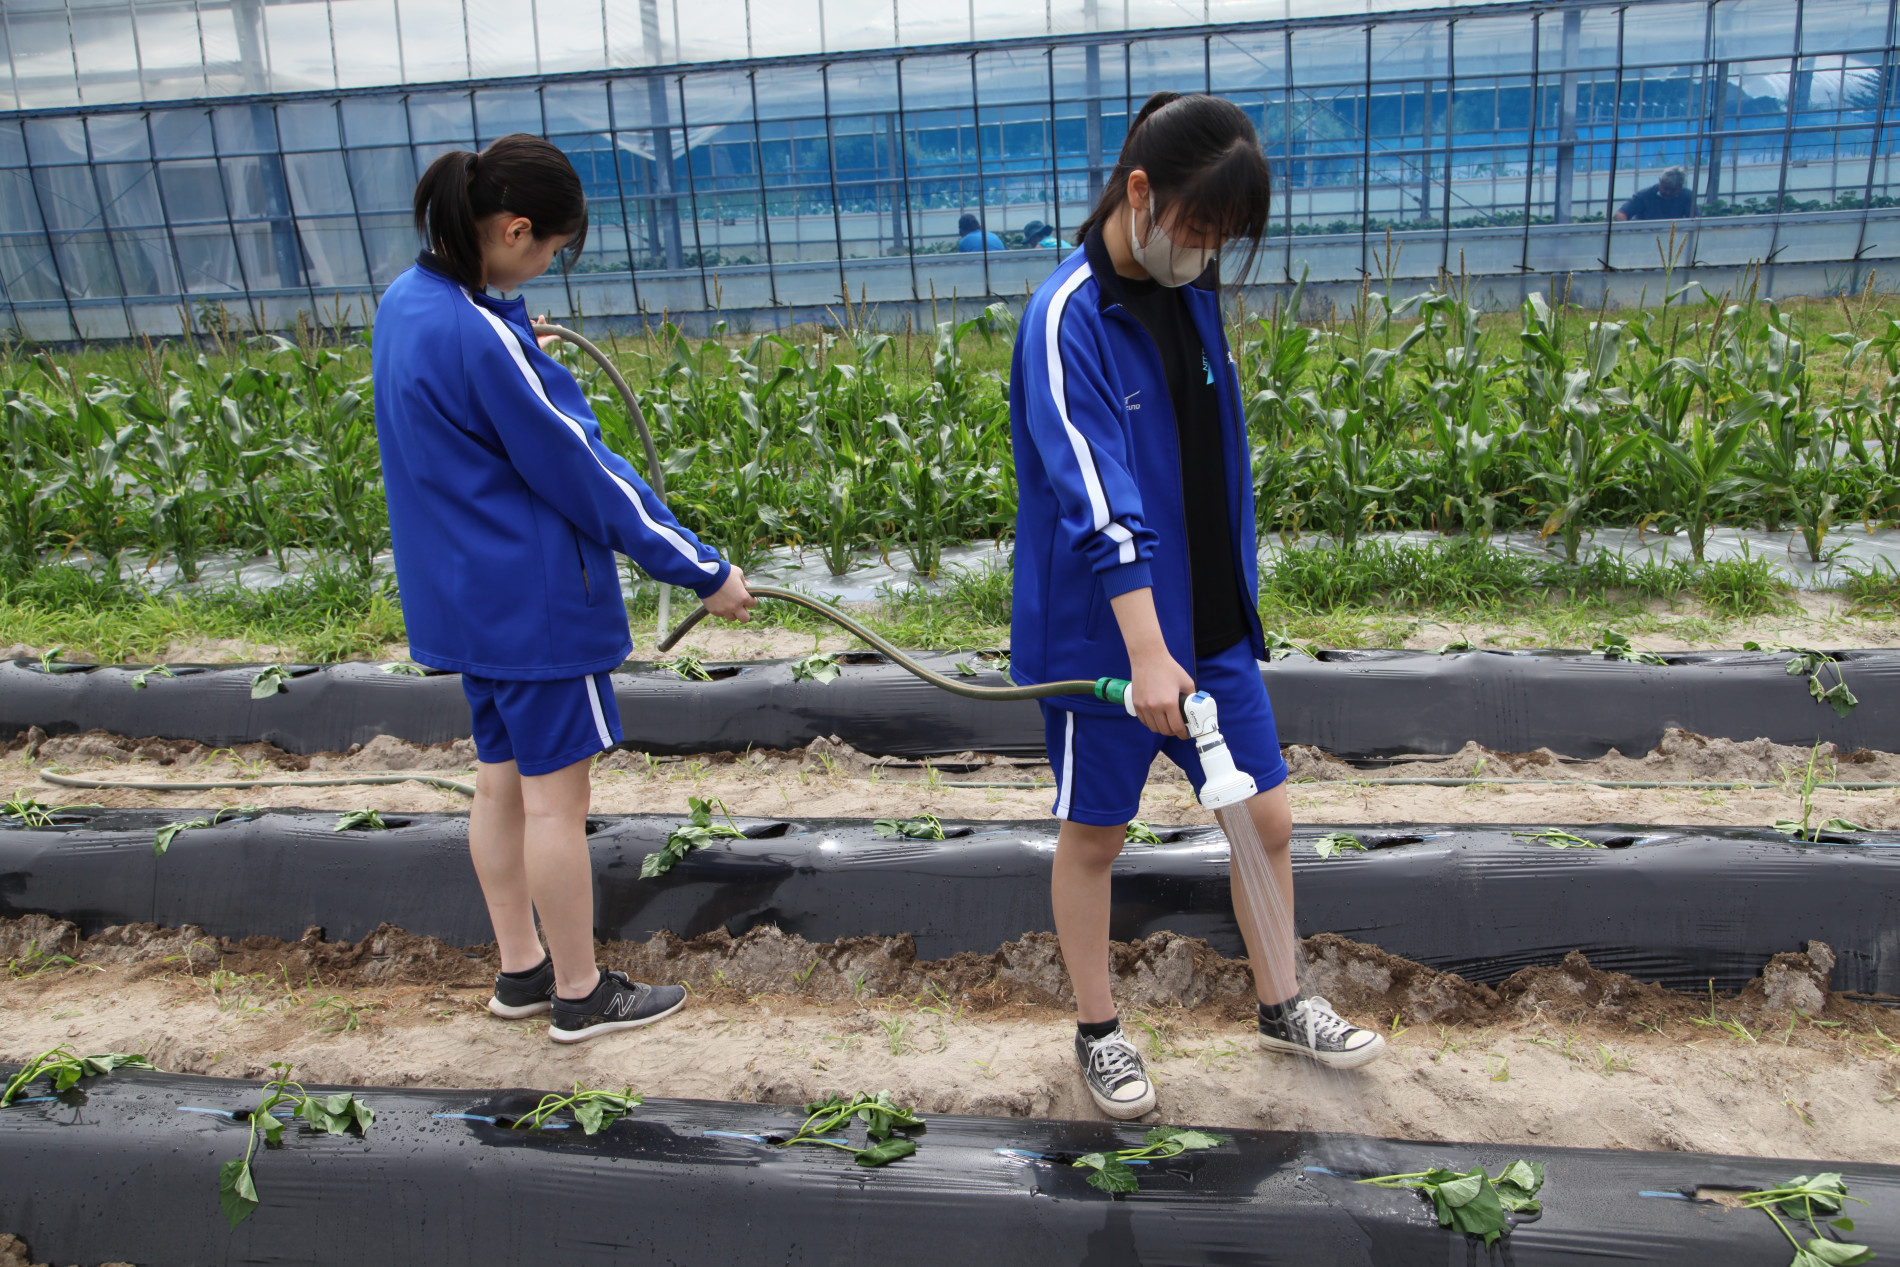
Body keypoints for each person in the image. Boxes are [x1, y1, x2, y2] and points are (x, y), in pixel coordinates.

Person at [1009, 92, 1386, 1120]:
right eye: (1198, 225)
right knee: (1096, 833)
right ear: (1140, 193)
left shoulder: (1193, 291)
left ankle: (1282, 1000)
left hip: (1206, 628)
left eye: (1225, 237)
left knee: (1264, 818)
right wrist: (1143, 651)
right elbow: (1096, 497)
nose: (1207, 250)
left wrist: (1205, 626)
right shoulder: (1067, 318)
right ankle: (1098, 1031)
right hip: (1108, 635)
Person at [372, 133, 755, 1045]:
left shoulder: (409, 304)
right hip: (537, 607)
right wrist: (702, 570)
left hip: (467, 602)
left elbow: (468, 393)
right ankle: (582, 993)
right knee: (555, 804)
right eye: (547, 249)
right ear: (512, 230)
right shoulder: (481, 333)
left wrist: (509, 336)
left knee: (499, 785)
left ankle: (521, 971)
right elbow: (585, 470)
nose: (546, 266)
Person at [1616, 165, 1696, 222]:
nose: (1668, 193)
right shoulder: (1645, 195)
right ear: (1660, 182)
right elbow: (1620, 214)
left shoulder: (1687, 196)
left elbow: (1695, 219)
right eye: (1665, 188)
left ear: (1680, 187)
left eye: (1673, 190)